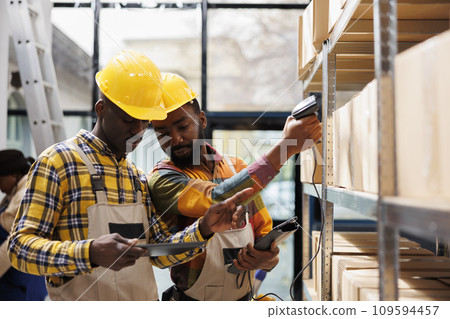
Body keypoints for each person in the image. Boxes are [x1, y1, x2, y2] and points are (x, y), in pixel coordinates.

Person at [7, 50, 251, 301]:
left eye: (145, 122)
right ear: (101, 109)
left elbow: (159, 253)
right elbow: (19, 249)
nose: (138, 130)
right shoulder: (59, 163)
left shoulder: (136, 179)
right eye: (128, 119)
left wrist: (204, 228)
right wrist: (89, 253)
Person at [148, 73, 322, 301]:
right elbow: (217, 198)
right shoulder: (163, 179)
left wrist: (268, 259)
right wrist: (285, 149)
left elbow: (264, 234)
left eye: (182, 127)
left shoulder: (236, 167)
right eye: (163, 134)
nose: (176, 139)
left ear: (201, 120)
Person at [0, 150, 47, 300]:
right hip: (12, 277)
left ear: (12, 176)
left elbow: (15, 242)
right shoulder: (14, 194)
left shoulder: (26, 195)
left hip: (20, 280)